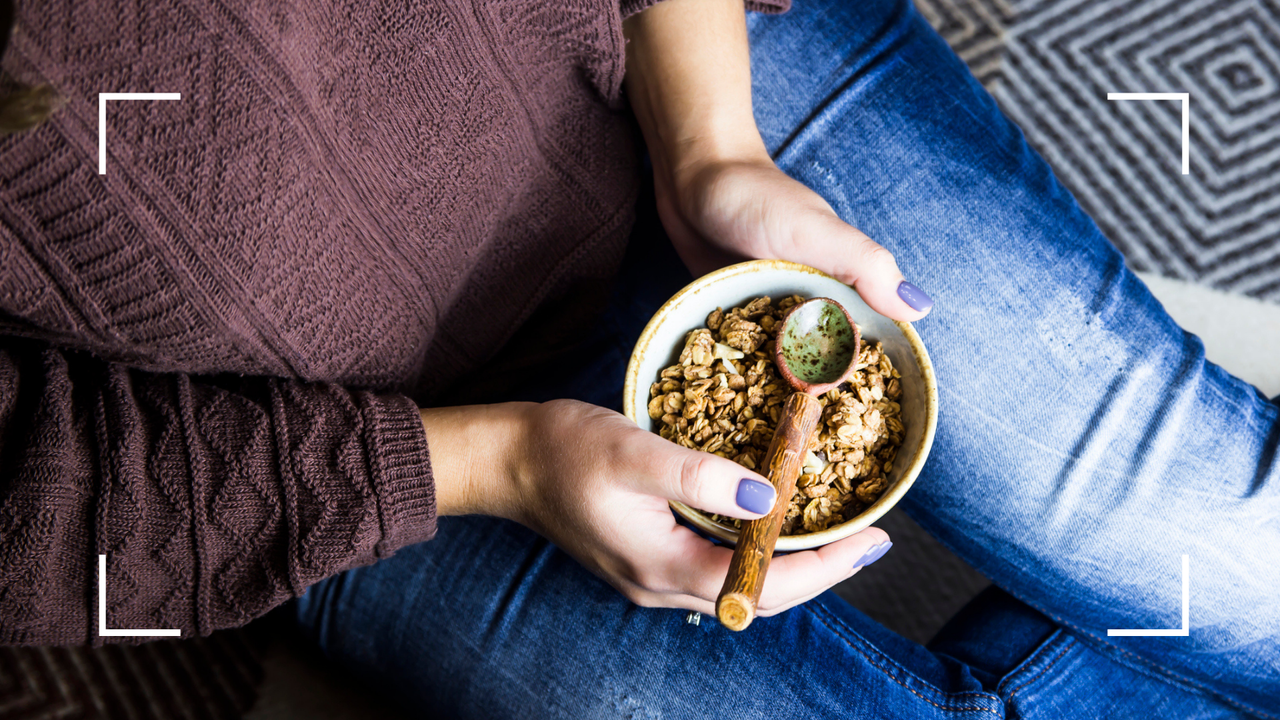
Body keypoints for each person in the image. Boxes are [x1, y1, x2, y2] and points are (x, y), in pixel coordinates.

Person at [1, 0, 1276, 717]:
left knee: (1206, 533)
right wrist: (497, 460)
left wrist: (714, 148)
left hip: (675, 63)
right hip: (349, 449)